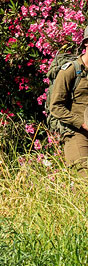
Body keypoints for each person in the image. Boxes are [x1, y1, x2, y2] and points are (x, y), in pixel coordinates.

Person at [49, 27, 88, 177]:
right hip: (75, 133)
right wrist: (82, 123)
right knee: (85, 181)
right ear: (86, 44)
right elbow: (56, 106)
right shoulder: (70, 71)